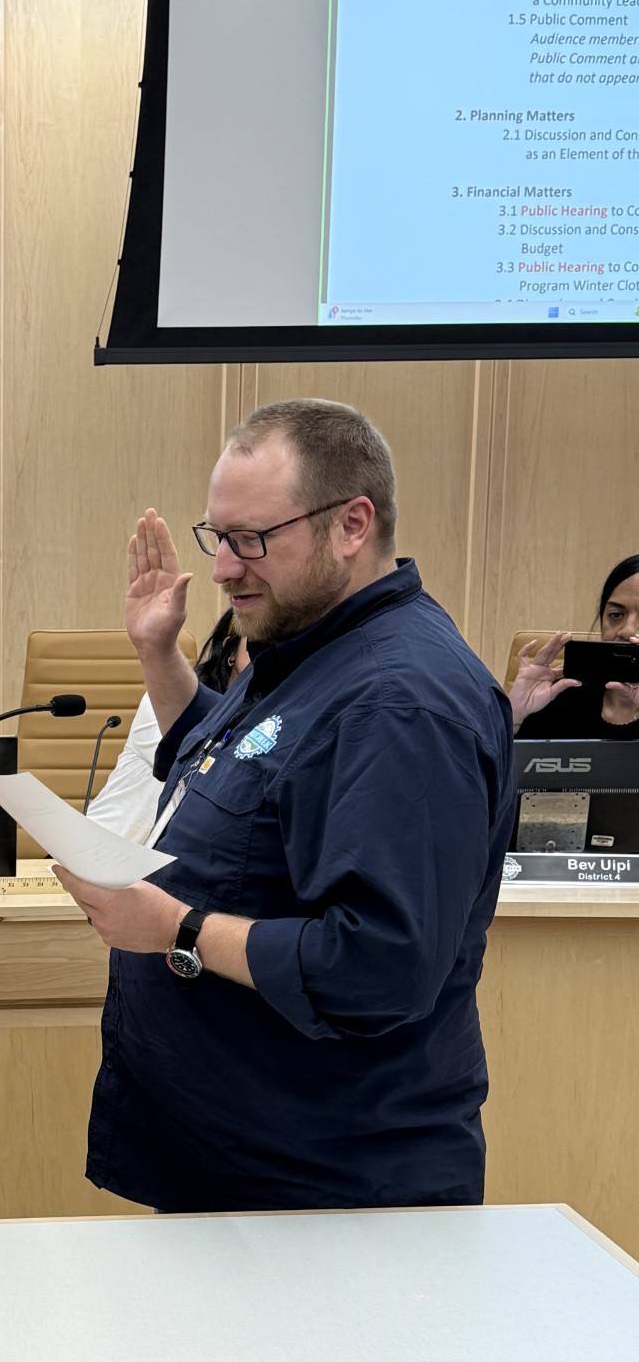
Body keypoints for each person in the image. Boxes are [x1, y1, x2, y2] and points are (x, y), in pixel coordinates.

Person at [55, 398, 514, 1213]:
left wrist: (175, 929)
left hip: (329, 1187)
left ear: (351, 524)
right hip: (243, 1168)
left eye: (252, 540)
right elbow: (243, 777)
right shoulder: (307, 649)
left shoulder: (400, 704)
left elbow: (380, 964)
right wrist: (159, 657)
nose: (225, 568)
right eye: (218, 538)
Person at [86, 612, 249, 841]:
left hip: (159, 867)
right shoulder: (169, 702)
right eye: (256, 644)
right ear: (230, 651)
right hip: (104, 848)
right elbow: (210, 770)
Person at [510, 555, 639, 740]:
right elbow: (491, 765)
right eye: (616, 615)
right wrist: (514, 715)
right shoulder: (562, 694)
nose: (627, 630)